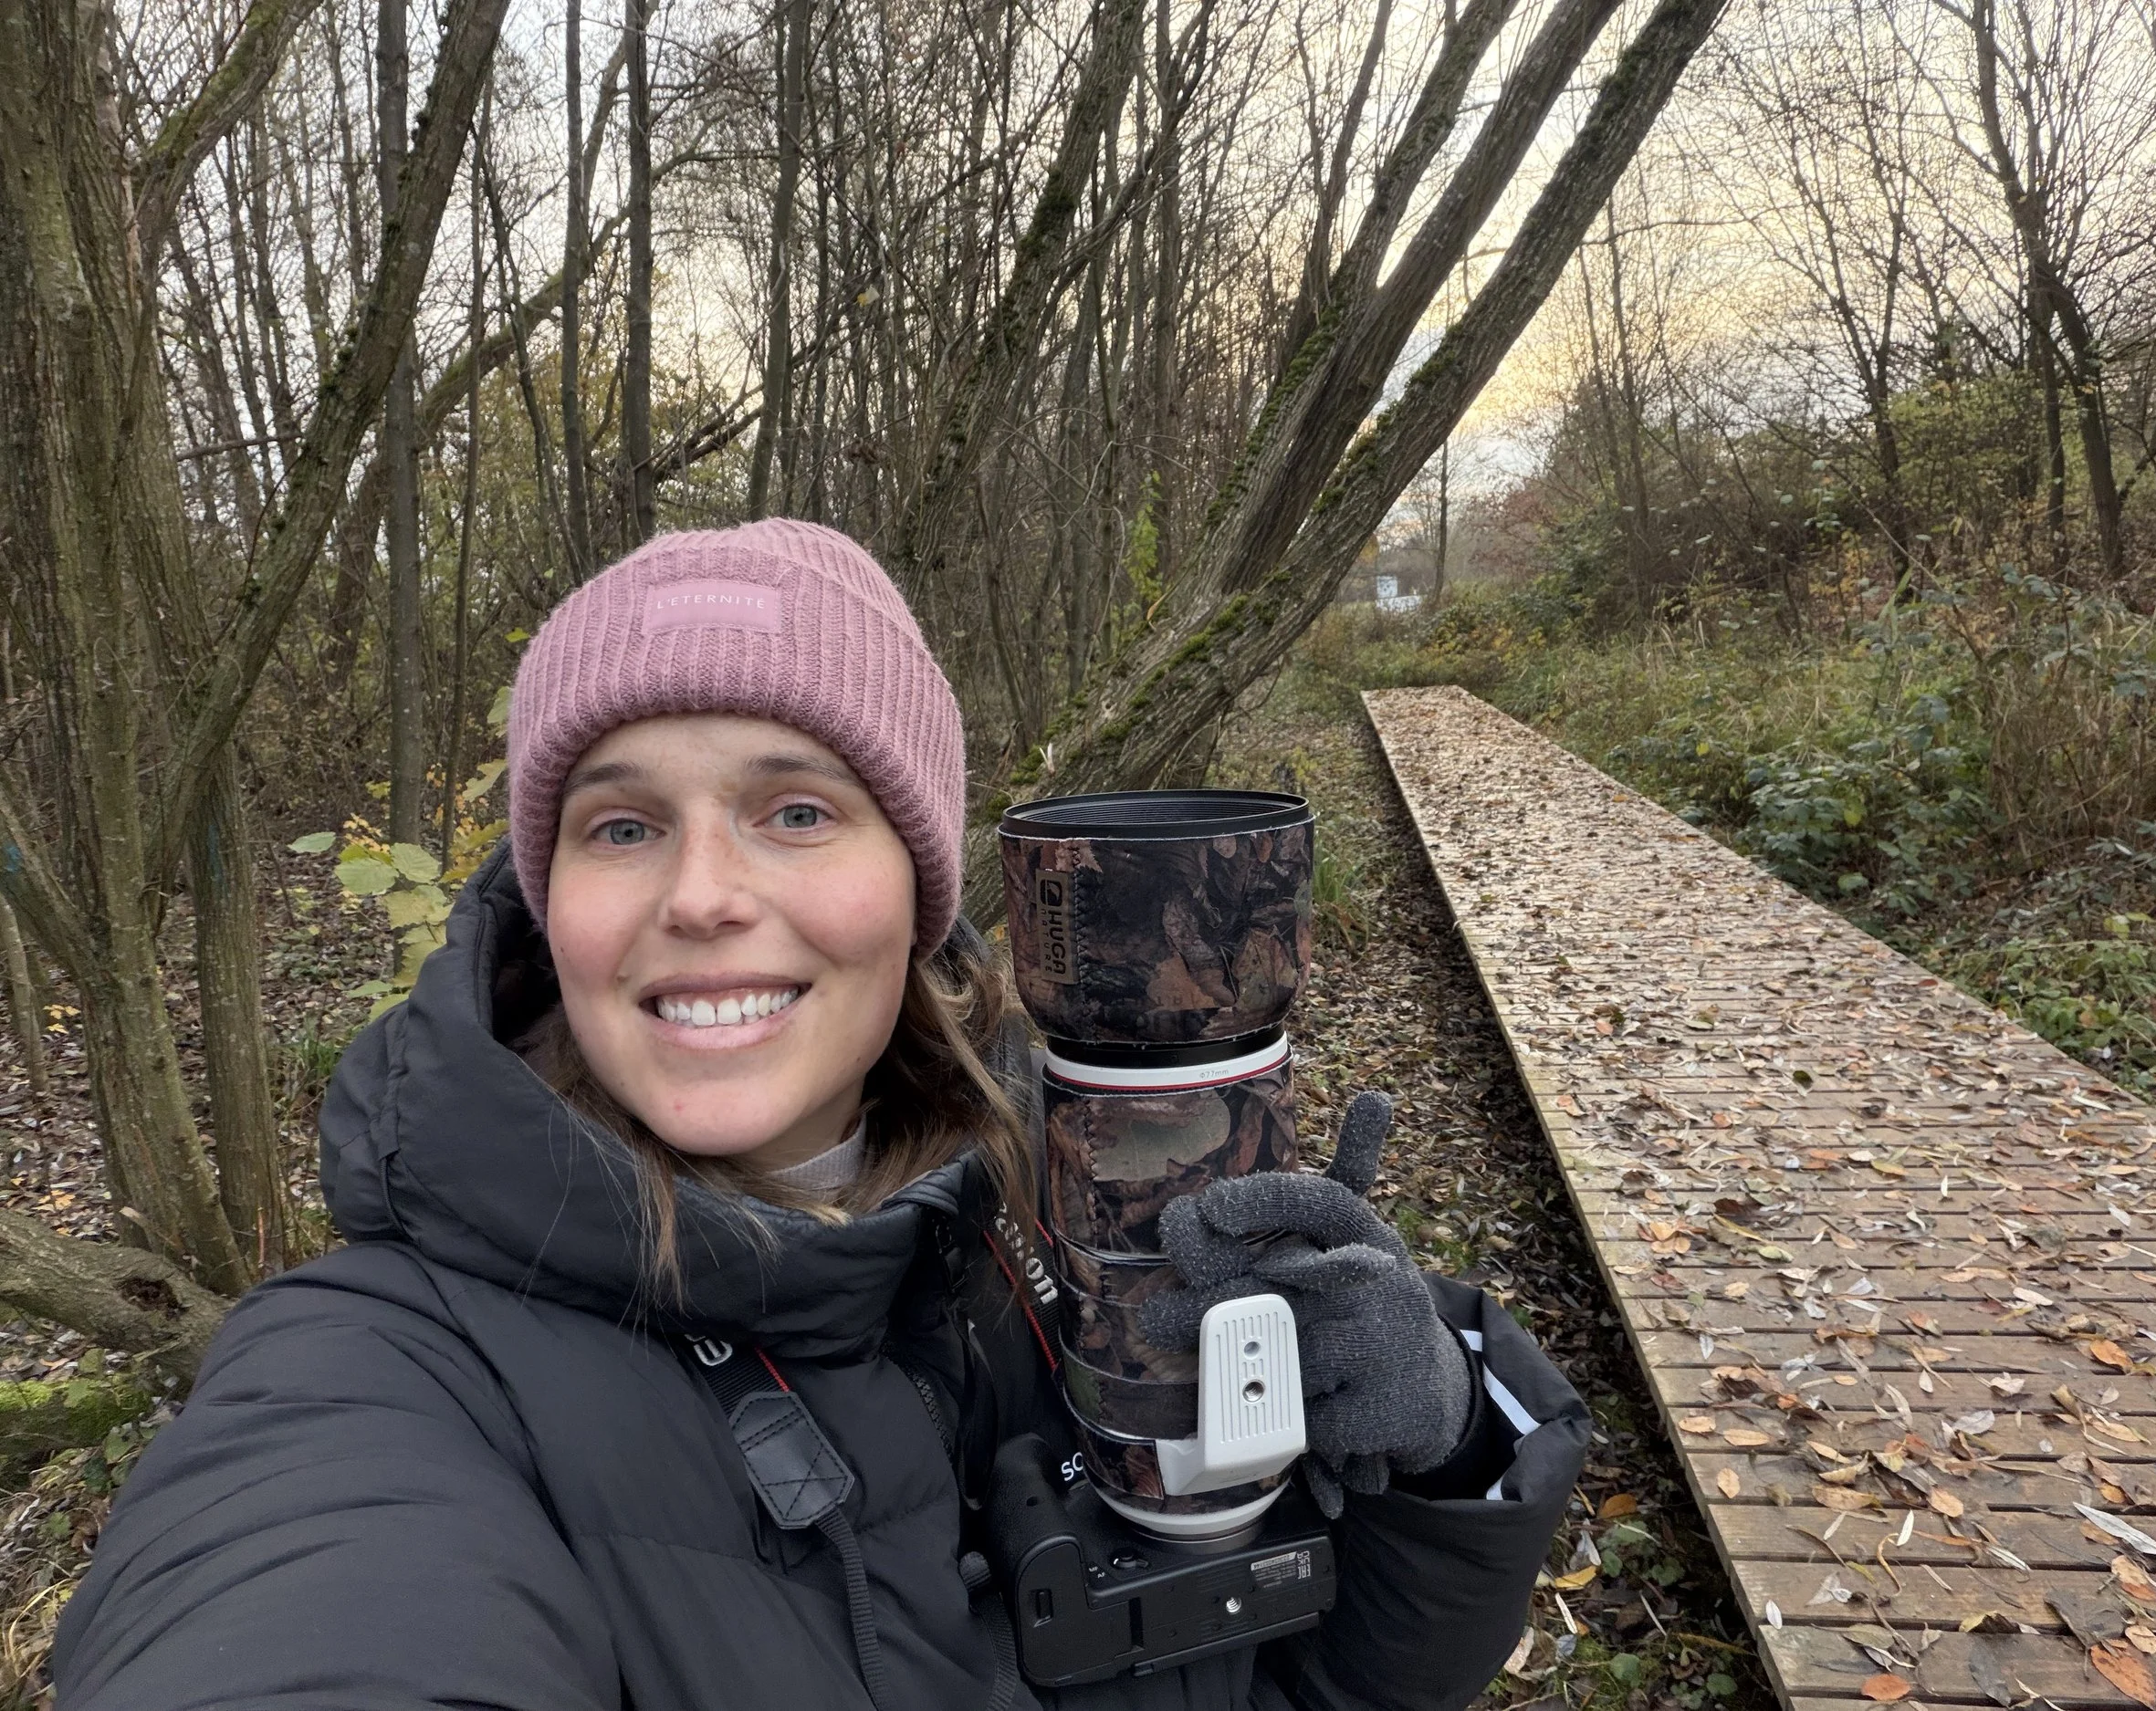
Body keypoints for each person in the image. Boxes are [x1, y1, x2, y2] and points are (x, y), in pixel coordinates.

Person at [51, 521, 1588, 1710]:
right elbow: (299, 1603)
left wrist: (1439, 1454)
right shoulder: (374, 1374)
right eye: (623, 822)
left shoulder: (1039, 1226)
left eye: (797, 808)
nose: (705, 894)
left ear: (917, 890)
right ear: (551, 901)